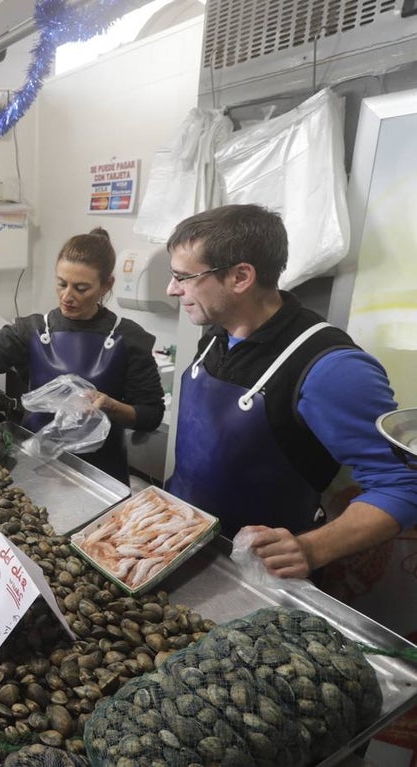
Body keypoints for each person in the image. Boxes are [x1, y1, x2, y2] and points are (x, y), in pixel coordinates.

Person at [162, 204, 417, 577]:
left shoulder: (332, 369)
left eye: (184, 277)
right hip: (181, 542)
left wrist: (312, 548)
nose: (172, 289)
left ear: (240, 277)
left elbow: (403, 485)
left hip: (254, 573)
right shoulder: (218, 335)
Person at [0, 228, 164, 485]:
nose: (67, 296)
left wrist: (112, 406)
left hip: (100, 475)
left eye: (81, 288)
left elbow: (151, 414)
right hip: (34, 465)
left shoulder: (128, 338)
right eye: (61, 283)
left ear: (107, 285)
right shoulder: (33, 330)